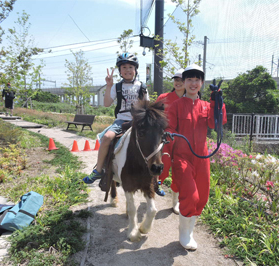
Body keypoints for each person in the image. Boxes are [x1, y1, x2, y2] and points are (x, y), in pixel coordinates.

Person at [166, 64, 227, 250]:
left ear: (202, 83)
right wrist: (169, 137)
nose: (193, 83)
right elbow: (169, 128)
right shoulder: (176, 106)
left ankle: (189, 231)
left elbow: (218, 123)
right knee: (190, 196)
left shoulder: (206, 106)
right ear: (183, 82)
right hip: (182, 157)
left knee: (201, 197)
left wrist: (218, 103)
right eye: (189, 79)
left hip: (202, 157)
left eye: (197, 80)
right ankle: (183, 234)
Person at [83, 53, 149, 184]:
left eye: (130, 67)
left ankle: (154, 175)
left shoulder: (142, 87)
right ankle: (99, 170)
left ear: (135, 70)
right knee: (107, 137)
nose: (127, 70)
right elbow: (107, 103)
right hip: (121, 121)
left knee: (154, 140)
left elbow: (147, 106)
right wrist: (108, 85)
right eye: (124, 67)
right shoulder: (116, 87)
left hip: (138, 121)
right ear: (120, 71)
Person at [154, 69, 185, 209]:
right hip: (165, 137)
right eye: (176, 79)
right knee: (164, 165)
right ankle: (155, 186)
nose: (178, 82)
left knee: (180, 170)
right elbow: (152, 115)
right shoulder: (164, 97)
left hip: (183, 139)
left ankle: (176, 201)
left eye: (182, 80)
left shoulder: (190, 99)